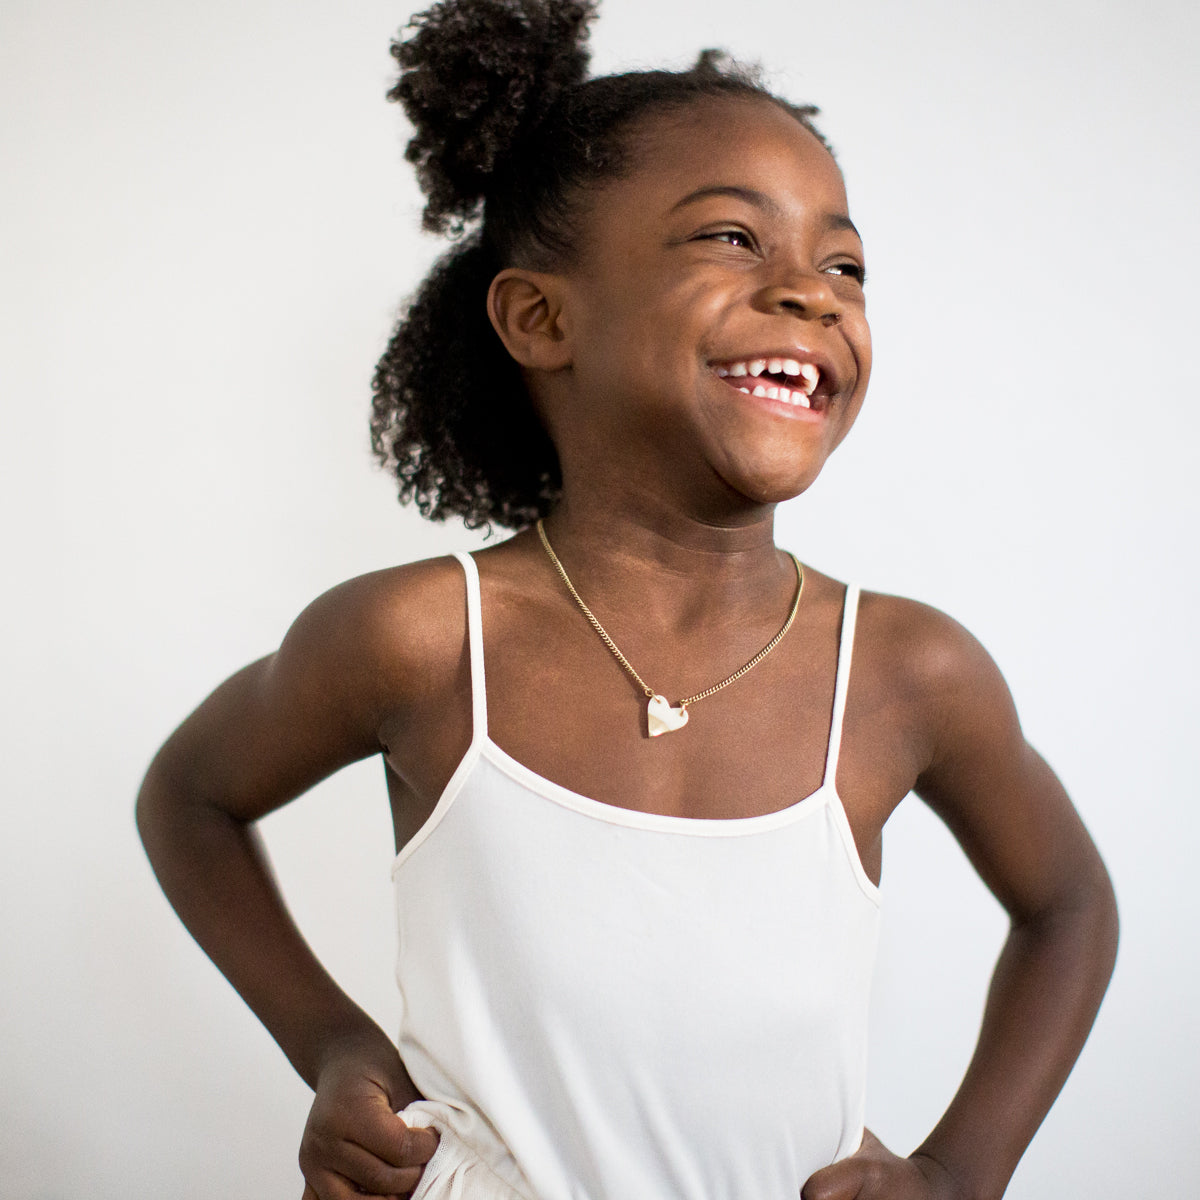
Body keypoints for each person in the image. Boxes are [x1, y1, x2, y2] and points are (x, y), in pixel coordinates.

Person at [136, 1, 1119, 1197]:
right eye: (733, 240)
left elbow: (1069, 903)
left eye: (844, 262)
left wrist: (962, 1175)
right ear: (542, 319)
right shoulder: (422, 639)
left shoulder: (909, 672)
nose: (813, 292)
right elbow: (187, 796)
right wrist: (336, 1046)